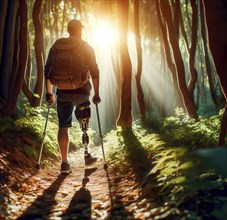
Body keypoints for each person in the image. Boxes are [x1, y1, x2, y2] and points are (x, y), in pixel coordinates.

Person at [44, 19, 101, 174]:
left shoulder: (57, 46)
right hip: (81, 91)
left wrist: (49, 93)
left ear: (68, 30)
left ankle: (64, 163)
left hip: (62, 91)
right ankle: (86, 154)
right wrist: (96, 93)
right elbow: (95, 71)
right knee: (83, 121)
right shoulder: (86, 47)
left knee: (63, 126)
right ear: (80, 30)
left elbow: (47, 70)